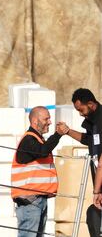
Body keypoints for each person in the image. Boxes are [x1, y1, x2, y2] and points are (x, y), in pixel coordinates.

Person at [11, 106, 66, 237]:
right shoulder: (28, 140)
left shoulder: (37, 140)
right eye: (46, 118)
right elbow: (42, 151)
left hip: (37, 199)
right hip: (30, 201)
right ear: (35, 121)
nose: (50, 122)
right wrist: (58, 134)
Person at [59, 88, 102, 237]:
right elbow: (88, 140)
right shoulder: (92, 122)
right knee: (93, 213)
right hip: (99, 180)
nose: (80, 113)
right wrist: (68, 131)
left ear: (90, 103)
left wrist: (97, 191)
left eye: (81, 109)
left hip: (100, 182)